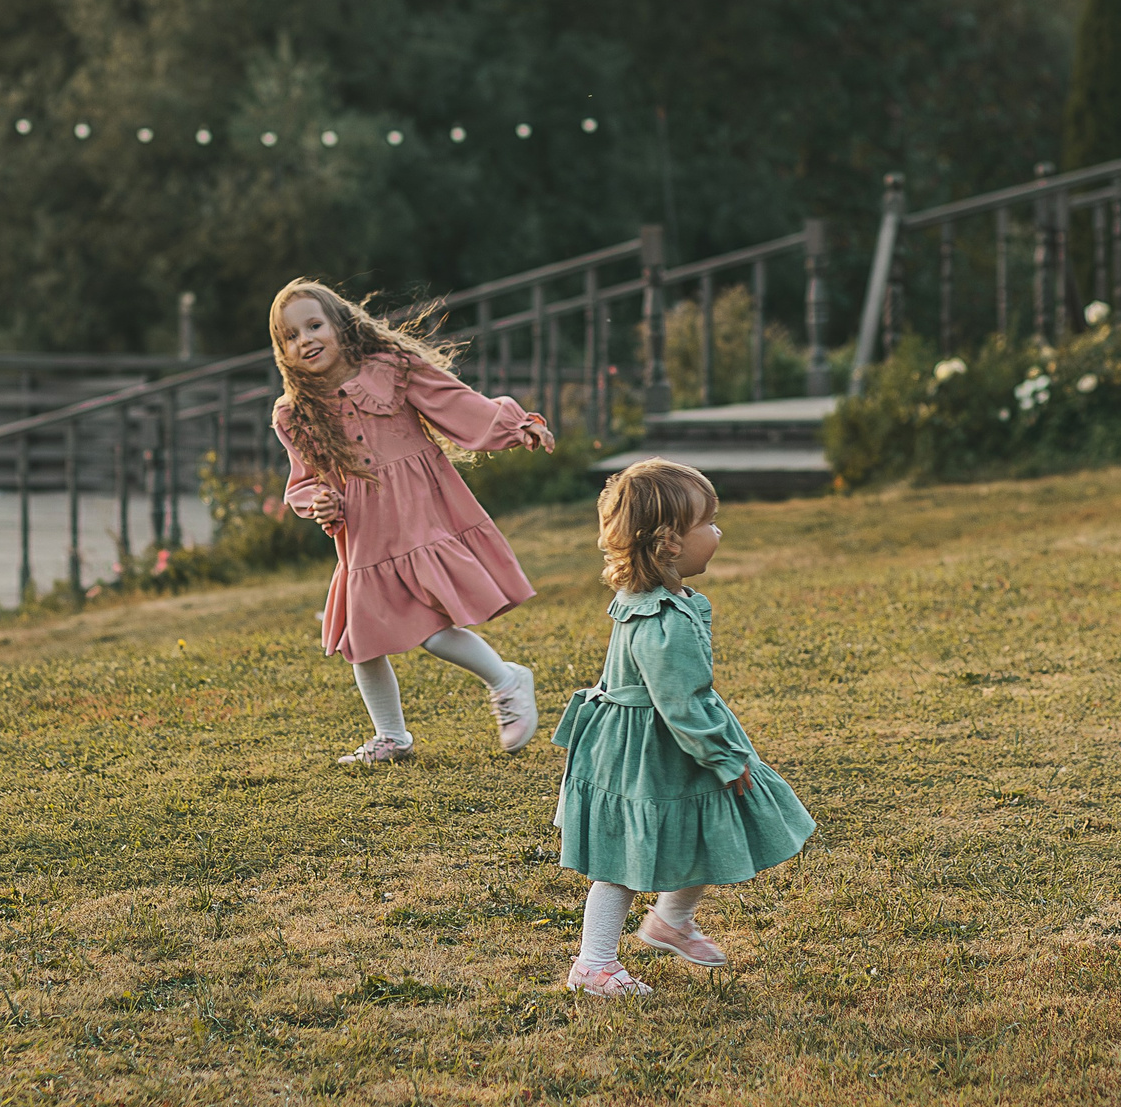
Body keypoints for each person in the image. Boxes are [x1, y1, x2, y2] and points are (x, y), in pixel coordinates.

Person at [555, 459, 814, 998]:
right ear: (670, 544)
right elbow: (681, 703)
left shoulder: (659, 601)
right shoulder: (664, 623)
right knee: (625, 856)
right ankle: (593, 963)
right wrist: (723, 756)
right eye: (708, 522)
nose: (718, 531)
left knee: (710, 825)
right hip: (651, 749)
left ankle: (670, 921)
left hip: (661, 743)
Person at [269, 279, 556, 764]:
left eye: (314, 325)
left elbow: (457, 403)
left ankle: (506, 680)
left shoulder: (392, 370)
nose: (306, 340)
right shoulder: (295, 413)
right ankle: (392, 737)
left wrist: (515, 426)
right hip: (364, 528)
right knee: (361, 638)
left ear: (341, 325)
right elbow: (304, 480)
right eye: (290, 336)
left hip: (418, 510)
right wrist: (321, 500)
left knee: (428, 622)